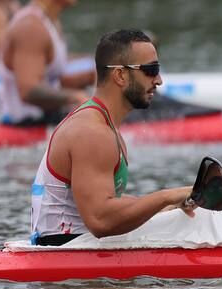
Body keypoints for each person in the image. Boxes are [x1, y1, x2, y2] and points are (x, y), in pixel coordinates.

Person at [29, 29, 194, 246]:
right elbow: (100, 220)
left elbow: (105, 200)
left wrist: (164, 208)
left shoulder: (103, 124)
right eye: (151, 70)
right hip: (66, 257)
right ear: (120, 75)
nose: (159, 80)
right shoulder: (93, 133)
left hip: (78, 245)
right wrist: (166, 196)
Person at [0, 0, 97, 125]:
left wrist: (92, 75)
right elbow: (28, 90)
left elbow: (50, 78)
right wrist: (75, 97)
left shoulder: (49, 21)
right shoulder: (30, 27)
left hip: (47, 117)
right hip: (27, 124)